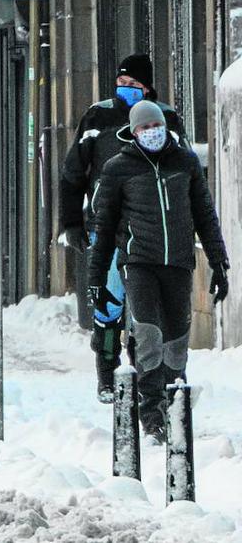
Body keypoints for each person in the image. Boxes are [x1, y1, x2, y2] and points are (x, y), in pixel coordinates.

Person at [88, 100, 229, 442]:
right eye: (144, 128)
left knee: (177, 340)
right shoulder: (118, 168)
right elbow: (104, 227)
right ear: (133, 132)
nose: (151, 132)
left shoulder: (185, 163)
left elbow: (205, 215)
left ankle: (174, 404)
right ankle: (151, 414)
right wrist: (95, 278)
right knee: (149, 335)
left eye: (156, 126)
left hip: (178, 263)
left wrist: (219, 262)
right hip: (139, 263)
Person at [60, 53, 185, 403]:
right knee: (109, 303)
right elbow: (73, 173)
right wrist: (71, 222)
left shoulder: (167, 119)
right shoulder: (98, 117)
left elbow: (183, 172)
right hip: (107, 227)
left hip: (153, 230)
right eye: (121, 83)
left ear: (148, 87)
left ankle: (151, 374)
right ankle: (108, 371)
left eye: (133, 85)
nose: (125, 89)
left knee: (151, 308)